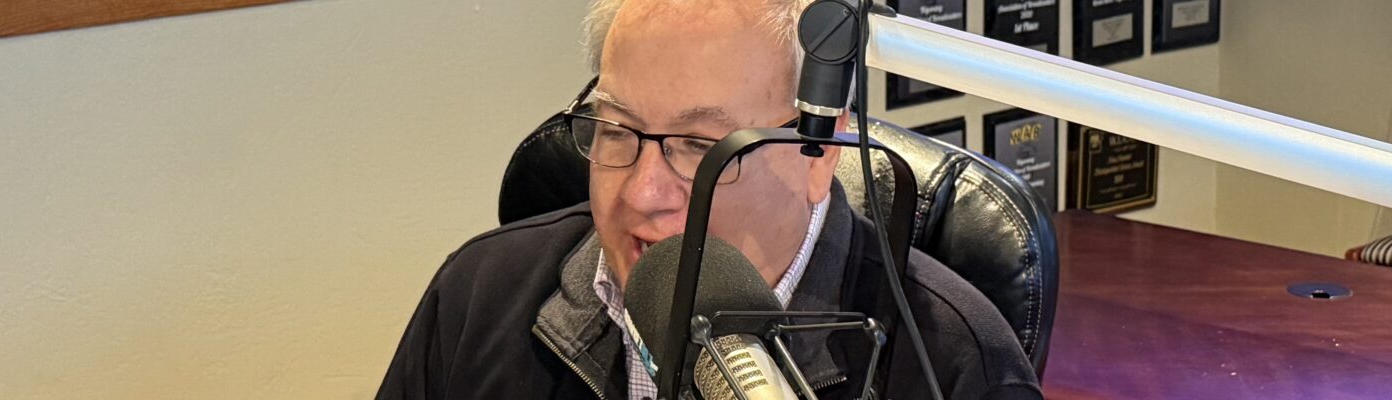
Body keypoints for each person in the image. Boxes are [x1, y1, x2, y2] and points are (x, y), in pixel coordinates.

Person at [377, 1, 1042, 398]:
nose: (643, 192)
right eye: (617, 130)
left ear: (819, 155)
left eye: (701, 148)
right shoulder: (477, 294)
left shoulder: (957, 365)